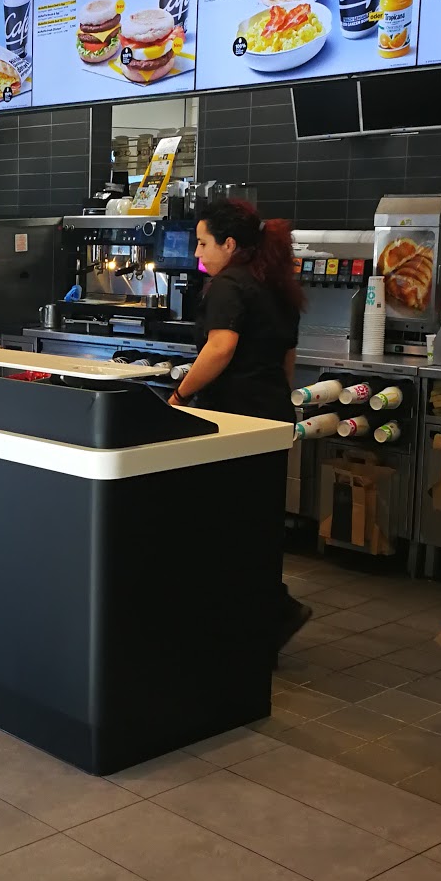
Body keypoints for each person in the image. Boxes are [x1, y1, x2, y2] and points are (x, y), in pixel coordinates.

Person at [169, 197, 311, 650]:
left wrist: (180, 395)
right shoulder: (276, 284)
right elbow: (287, 359)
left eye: (203, 243)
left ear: (229, 244)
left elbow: (220, 348)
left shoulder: (229, 285)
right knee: (258, 521)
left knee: (224, 521)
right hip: (270, 416)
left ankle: (254, 619)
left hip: (233, 417)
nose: (198, 253)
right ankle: (266, 616)